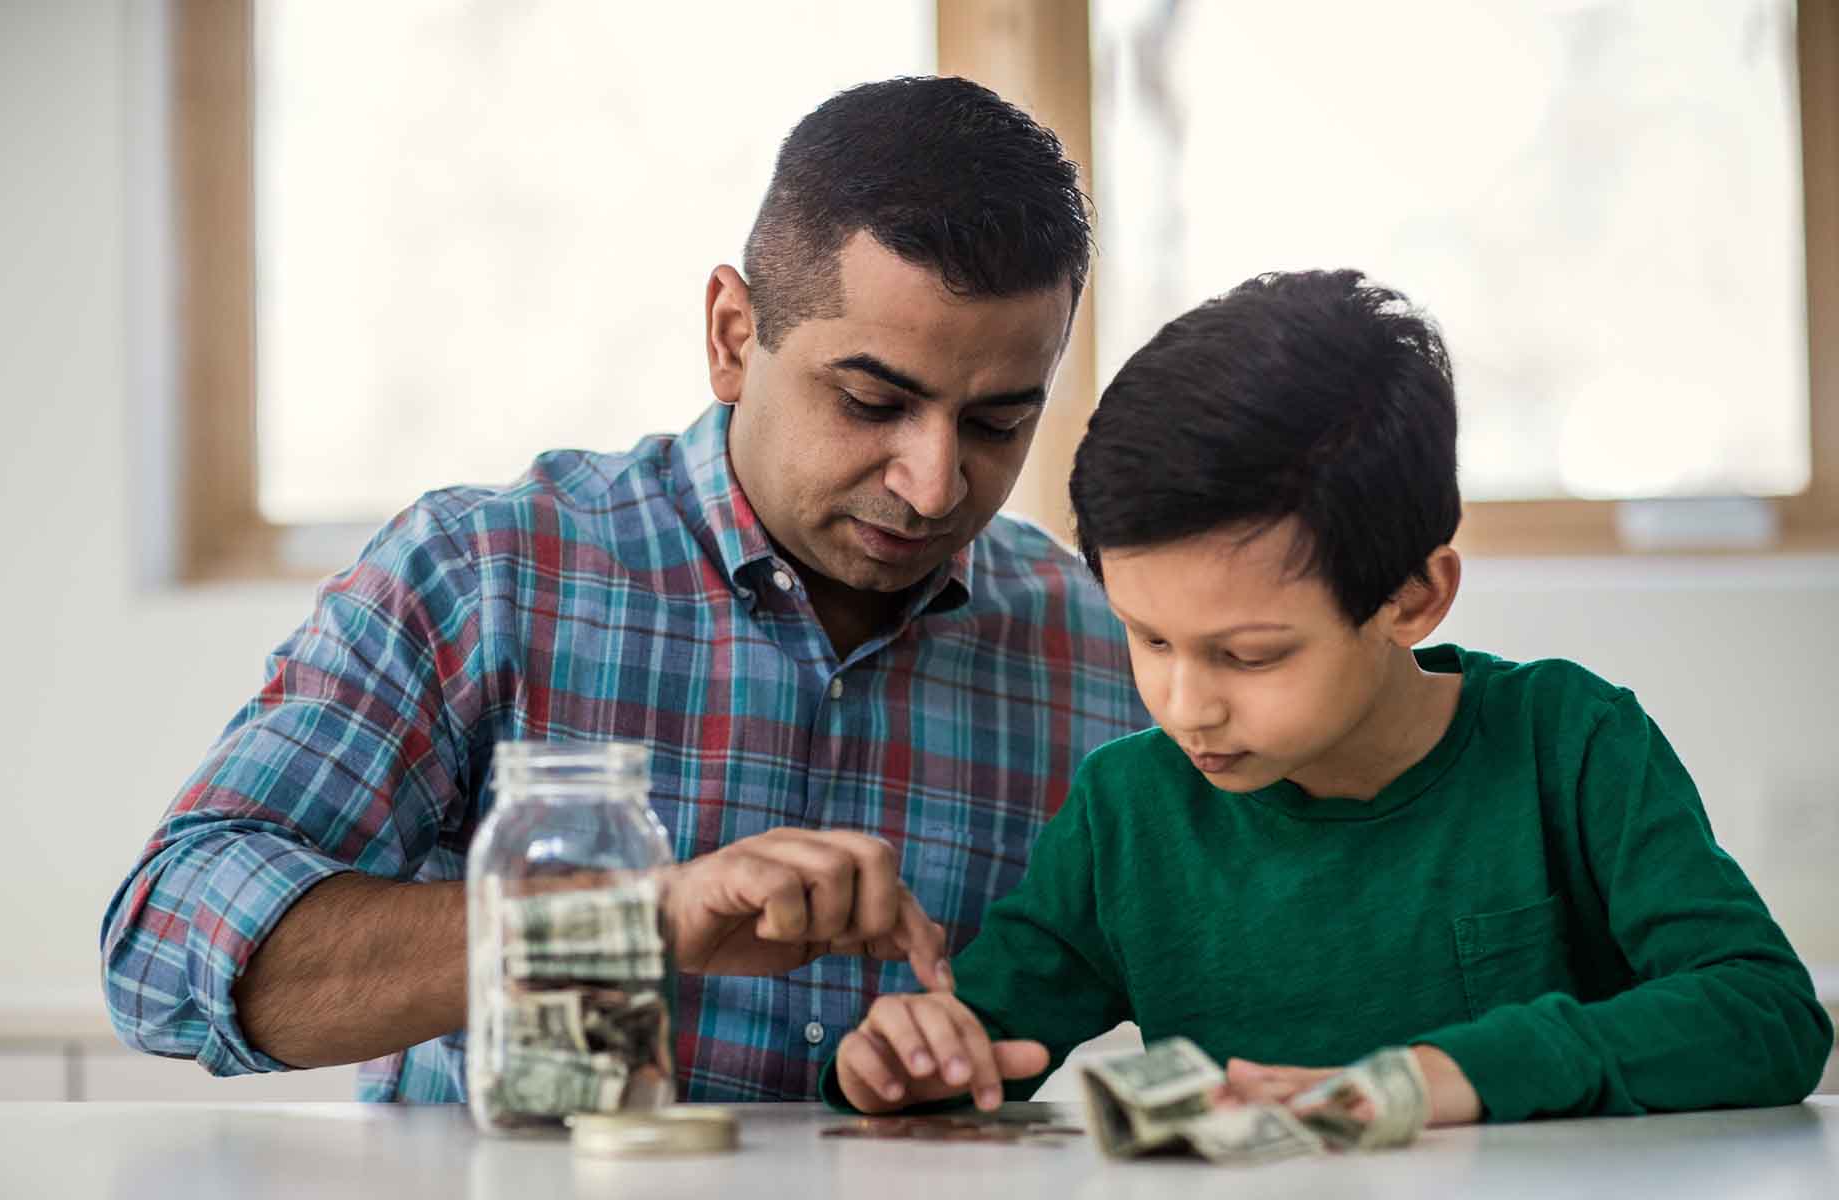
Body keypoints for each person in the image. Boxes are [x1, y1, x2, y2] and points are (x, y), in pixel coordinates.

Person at [99, 76, 1148, 1104]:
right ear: (732, 336)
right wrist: (629, 921)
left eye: (997, 424)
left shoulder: (1107, 653)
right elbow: (162, 950)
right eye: (872, 401)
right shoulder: (484, 575)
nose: (932, 484)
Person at [829, 269, 1834, 1121]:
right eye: (1148, 637)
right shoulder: (1127, 812)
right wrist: (906, 1059)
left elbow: (1765, 1013)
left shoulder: (1566, 746)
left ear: (1411, 597)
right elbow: (975, 1044)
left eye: (1250, 655)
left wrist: (1446, 1078)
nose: (1185, 704)